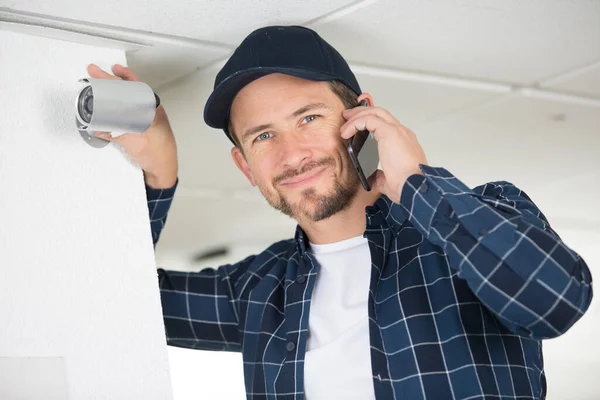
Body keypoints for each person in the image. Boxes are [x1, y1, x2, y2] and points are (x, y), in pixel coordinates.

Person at [88, 26, 593, 400]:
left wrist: (417, 180)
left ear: (362, 120)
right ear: (245, 165)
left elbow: (556, 300)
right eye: (263, 136)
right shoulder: (257, 291)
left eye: (308, 118)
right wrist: (158, 177)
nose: (291, 153)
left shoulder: (478, 219)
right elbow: (102, 303)